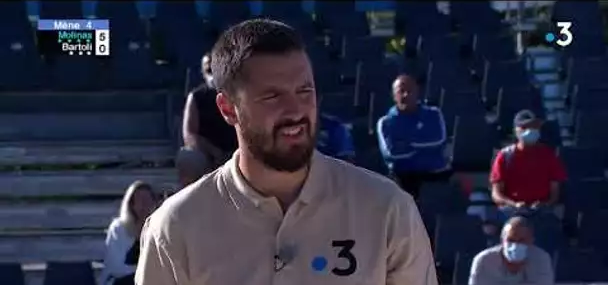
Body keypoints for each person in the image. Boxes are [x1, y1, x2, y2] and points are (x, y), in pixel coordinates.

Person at [136, 19, 437, 285]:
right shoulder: (175, 228)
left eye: (304, 91)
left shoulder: (388, 210)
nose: (295, 111)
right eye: (272, 96)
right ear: (229, 109)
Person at [376, 74, 451, 200]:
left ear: (417, 93)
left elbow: (439, 141)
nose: (406, 95)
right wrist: (423, 144)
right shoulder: (385, 122)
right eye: (401, 91)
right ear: (394, 96)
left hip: (435, 172)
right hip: (404, 177)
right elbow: (392, 153)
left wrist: (408, 144)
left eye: (409, 91)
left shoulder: (433, 114)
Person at [490, 109, 567, 222]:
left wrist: (544, 204)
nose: (530, 131)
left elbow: (554, 193)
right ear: (516, 131)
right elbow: (496, 194)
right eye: (525, 127)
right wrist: (515, 204)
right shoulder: (505, 156)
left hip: (541, 211)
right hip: (512, 212)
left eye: (534, 127)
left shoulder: (548, 156)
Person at [176, 54, 238, 187]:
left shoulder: (237, 95)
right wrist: (213, 151)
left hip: (239, 152)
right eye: (209, 70)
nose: (213, 75)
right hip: (208, 154)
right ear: (203, 73)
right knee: (188, 158)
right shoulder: (196, 97)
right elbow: (189, 134)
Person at [469, 216, 554, 285]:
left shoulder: (542, 259)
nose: (515, 245)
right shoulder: (484, 260)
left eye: (521, 240)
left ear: (531, 241)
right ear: (502, 240)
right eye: (511, 240)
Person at [101, 181, 157, 285]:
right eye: (140, 200)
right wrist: (144, 270)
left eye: (148, 200)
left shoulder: (158, 228)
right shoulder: (118, 228)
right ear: (131, 204)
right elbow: (116, 268)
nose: (145, 205)